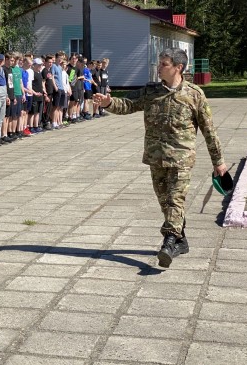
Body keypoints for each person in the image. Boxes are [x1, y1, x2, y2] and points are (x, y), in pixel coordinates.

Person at [93, 48, 227, 268]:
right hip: (156, 158)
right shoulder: (150, 91)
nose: (159, 67)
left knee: (176, 200)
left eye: (164, 64)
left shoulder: (194, 94)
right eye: (160, 63)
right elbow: (128, 104)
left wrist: (218, 161)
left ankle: (169, 241)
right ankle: (181, 240)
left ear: (178, 67)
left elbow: (209, 130)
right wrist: (108, 103)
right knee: (165, 202)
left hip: (182, 158)